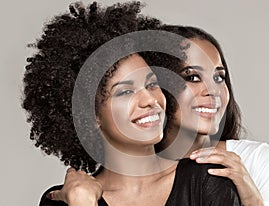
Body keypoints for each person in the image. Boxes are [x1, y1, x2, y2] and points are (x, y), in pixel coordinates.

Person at [22, 2, 241, 206]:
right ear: (90, 114)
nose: (150, 100)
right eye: (126, 92)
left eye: (152, 84)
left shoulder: (206, 180)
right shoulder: (64, 199)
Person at [144, 25, 269, 206]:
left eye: (218, 77)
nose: (214, 90)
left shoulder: (257, 160)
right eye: (192, 77)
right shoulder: (130, 178)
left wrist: (251, 198)